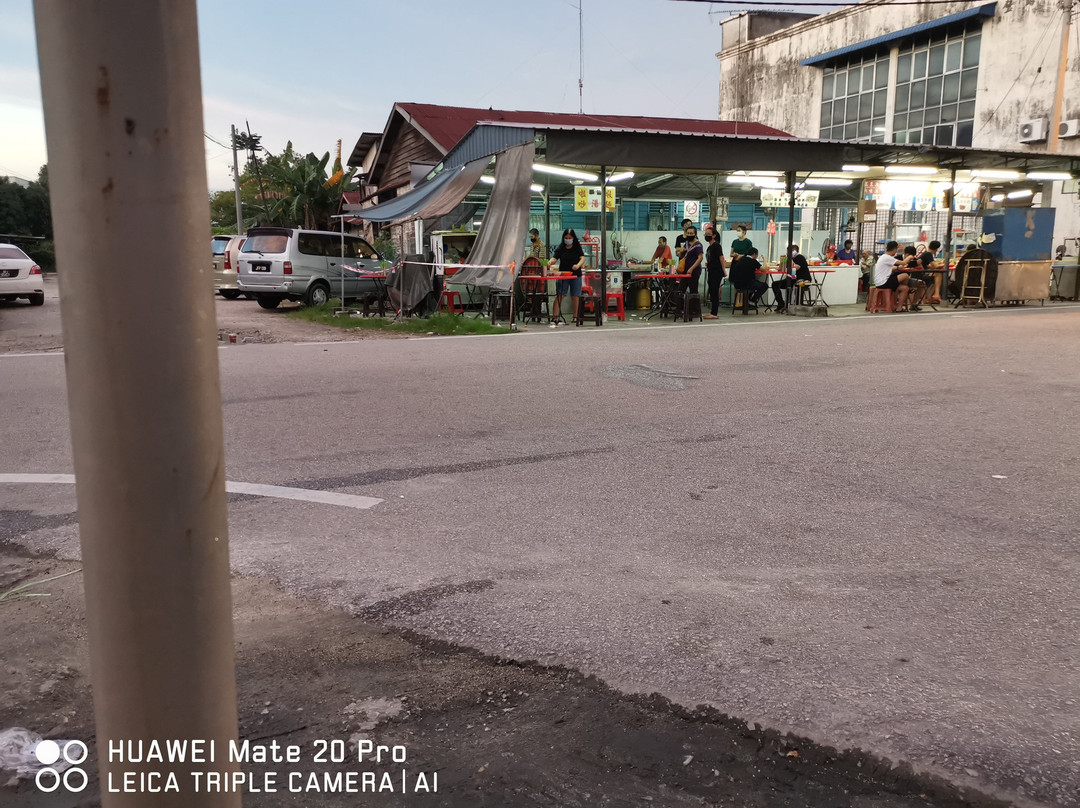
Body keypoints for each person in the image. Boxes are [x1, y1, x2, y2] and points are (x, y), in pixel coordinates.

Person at [548, 228, 586, 327]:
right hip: (563, 275)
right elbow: (555, 258)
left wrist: (577, 266)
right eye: (566, 238)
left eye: (569, 238)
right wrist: (550, 262)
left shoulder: (577, 247)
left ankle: (575, 316)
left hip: (575, 274)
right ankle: (555, 317)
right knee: (560, 295)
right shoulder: (561, 248)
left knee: (575, 296)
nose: (568, 239)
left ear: (573, 238)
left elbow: (582, 258)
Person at [771, 244, 811, 312]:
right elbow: (781, 269)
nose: (787, 253)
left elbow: (795, 268)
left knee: (797, 285)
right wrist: (782, 260)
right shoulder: (790, 259)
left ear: (794, 251)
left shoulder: (800, 257)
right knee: (775, 284)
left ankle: (797, 304)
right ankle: (781, 303)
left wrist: (790, 261)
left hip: (801, 279)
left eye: (788, 252)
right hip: (791, 279)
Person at [873, 240, 911, 311]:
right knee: (905, 275)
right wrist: (910, 257)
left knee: (905, 288)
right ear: (894, 249)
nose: (896, 252)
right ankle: (897, 301)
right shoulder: (888, 257)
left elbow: (891, 267)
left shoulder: (883, 257)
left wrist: (898, 267)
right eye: (896, 250)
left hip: (880, 282)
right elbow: (903, 262)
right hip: (884, 282)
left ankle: (899, 307)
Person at [703, 229, 726, 319]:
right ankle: (712, 312)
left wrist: (724, 270)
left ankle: (714, 313)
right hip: (711, 270)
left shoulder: (716, 245)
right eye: (706, 234)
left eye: (709, 234)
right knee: (712, 290)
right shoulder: (710, 247)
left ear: (714, 235)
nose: (707, 235)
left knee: (714, 291)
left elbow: (721, 257)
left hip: (717, 271)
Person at [900, 245, 929, 310]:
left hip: (908, 279)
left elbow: (922, 269)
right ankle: (899, 305)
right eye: (910, 257)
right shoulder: (898, 258)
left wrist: (918, 265)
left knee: (921, 283)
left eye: (913, 257)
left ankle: (914, 304)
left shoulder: (914, 260)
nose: (912, 258)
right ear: (906, 254)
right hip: (898, 278)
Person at [679, 227, 703, 294]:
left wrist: (691, 269)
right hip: (685, 270)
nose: (689, 235)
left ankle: (694, 304)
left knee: (693, 291)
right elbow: (681, 256)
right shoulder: (686, 243)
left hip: (694, 270)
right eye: (688, 233)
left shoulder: (698, 245)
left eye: (691, 233)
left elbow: (700, 258)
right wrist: (681, 251)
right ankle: (681, 304)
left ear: (695, 234)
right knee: (681, 290)